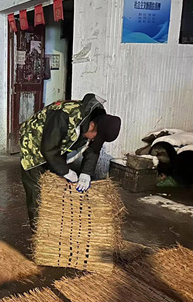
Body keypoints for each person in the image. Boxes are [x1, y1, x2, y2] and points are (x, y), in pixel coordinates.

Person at [20, 93, 121, 229]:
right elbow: (48, 149)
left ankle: (57, 221)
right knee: (36, 188)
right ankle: (39, 230)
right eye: (94, 137)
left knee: (57, 182)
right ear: (91, 126)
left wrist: (86, 173)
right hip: (34, 144)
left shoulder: (98, 121)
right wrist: (65, 171)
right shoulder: (64, 115)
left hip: (57, 145)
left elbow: (93, 149)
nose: (92, 140)